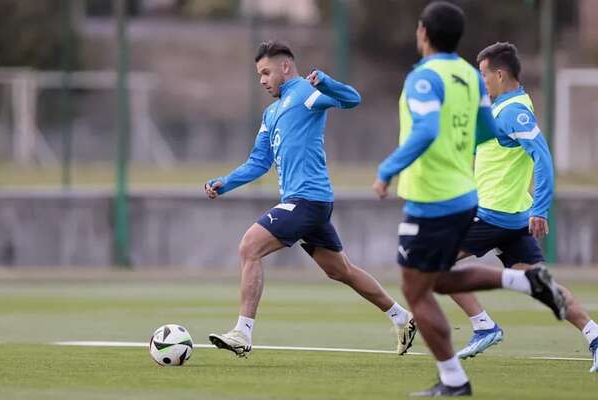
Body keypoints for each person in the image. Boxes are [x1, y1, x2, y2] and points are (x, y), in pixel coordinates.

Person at [372, 2, 567, 396]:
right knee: (436, 277)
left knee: (416, 288)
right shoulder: (469, 77)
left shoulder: (423, 78)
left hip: (432, 195)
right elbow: (486, 132)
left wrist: (388, 169)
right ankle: (515, 294)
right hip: (465, 195)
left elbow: (426, 130)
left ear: (424, 33)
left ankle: (457, 374)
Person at [205, 41, 417, 358]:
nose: (262, 80)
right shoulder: (271, 113)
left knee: (250, 246)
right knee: (340, 270)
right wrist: (225, 183)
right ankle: (403, 318)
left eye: (266, 73)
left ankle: (242, 333)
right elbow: (258, 163)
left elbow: (352, 99)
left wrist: (327, 82)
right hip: (305, 203)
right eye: (259, 75)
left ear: (286, 67)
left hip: (308, 200)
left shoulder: (306, 93)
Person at [448, 42, 598, 373]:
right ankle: (594, 335)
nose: (482, 80)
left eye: (484, 74)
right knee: (539, 283)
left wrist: (541, 209)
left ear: (500, 74)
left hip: (492, 214)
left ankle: (484, 325)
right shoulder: (504, 108)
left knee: (432, 263)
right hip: (509, 216)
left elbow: (542, 158)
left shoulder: (514, 112)